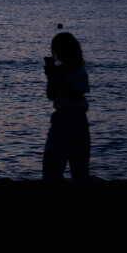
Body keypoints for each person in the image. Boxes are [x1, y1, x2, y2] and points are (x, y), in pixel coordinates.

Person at [41, 32, 90, 182]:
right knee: (51, 164)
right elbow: (51, 95)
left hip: (76, 119)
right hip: (60, 118)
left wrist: (57, 77)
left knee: (79, 166)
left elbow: (75, 94)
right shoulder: (59, 71)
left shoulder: (79, 72)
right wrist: (50, 77)